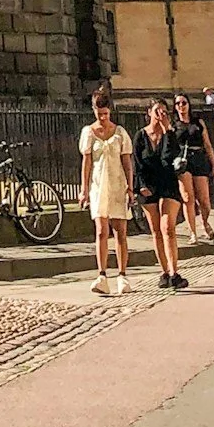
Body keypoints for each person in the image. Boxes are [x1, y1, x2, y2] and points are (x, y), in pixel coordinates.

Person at [79, 86, 134, 296]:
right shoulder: (89, 133)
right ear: (94, 111)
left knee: (120, 231)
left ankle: (122, 274)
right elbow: (86, 162)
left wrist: (130, 186)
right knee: (101, 230)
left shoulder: (120, 133)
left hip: (117, 184)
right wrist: (84, 190)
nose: (103, 118)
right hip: (98, 185)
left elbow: (127, 161)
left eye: (106, 114)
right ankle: (102, 274)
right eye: (99, 114)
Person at [135, 100, 189, 290]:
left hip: (168, 183)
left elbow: (170, 158)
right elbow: (137, 164)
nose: (161, 114)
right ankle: (164, 272)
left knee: (168, 228)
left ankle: (175, 272)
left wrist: (168, 131)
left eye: (165, 111)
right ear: (149, 112)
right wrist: (140, 186)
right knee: (156, 230)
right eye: (157, 111)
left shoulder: (170, 134)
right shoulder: (141, 136)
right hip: (148, 186)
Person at [172, 94, 214, 242]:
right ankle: (192, 232)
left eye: (184, 102)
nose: (181, 106)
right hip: (182, 161)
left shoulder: (198, 122)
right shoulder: (174, 125)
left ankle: (205, 222)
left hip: (199, 159)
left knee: (204, 200)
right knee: (188, 198)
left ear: (189, 104)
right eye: (178, 103)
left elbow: (207, 145)